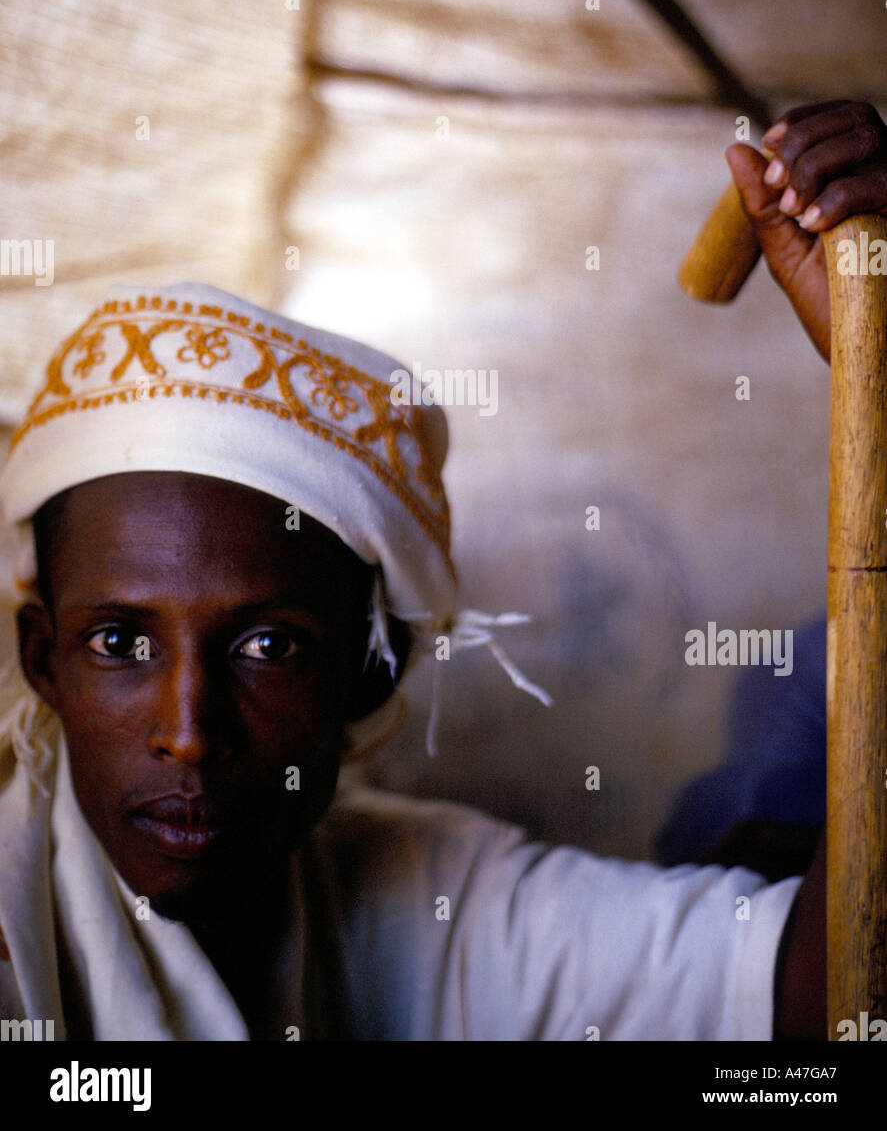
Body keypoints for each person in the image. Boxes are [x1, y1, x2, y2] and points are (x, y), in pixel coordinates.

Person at [0, 99, 884, 1042]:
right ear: (44, 660)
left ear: (371, 670)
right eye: (120, 641)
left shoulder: (427, 903)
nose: (188, 732)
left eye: (268, 644)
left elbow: (818, 1005)